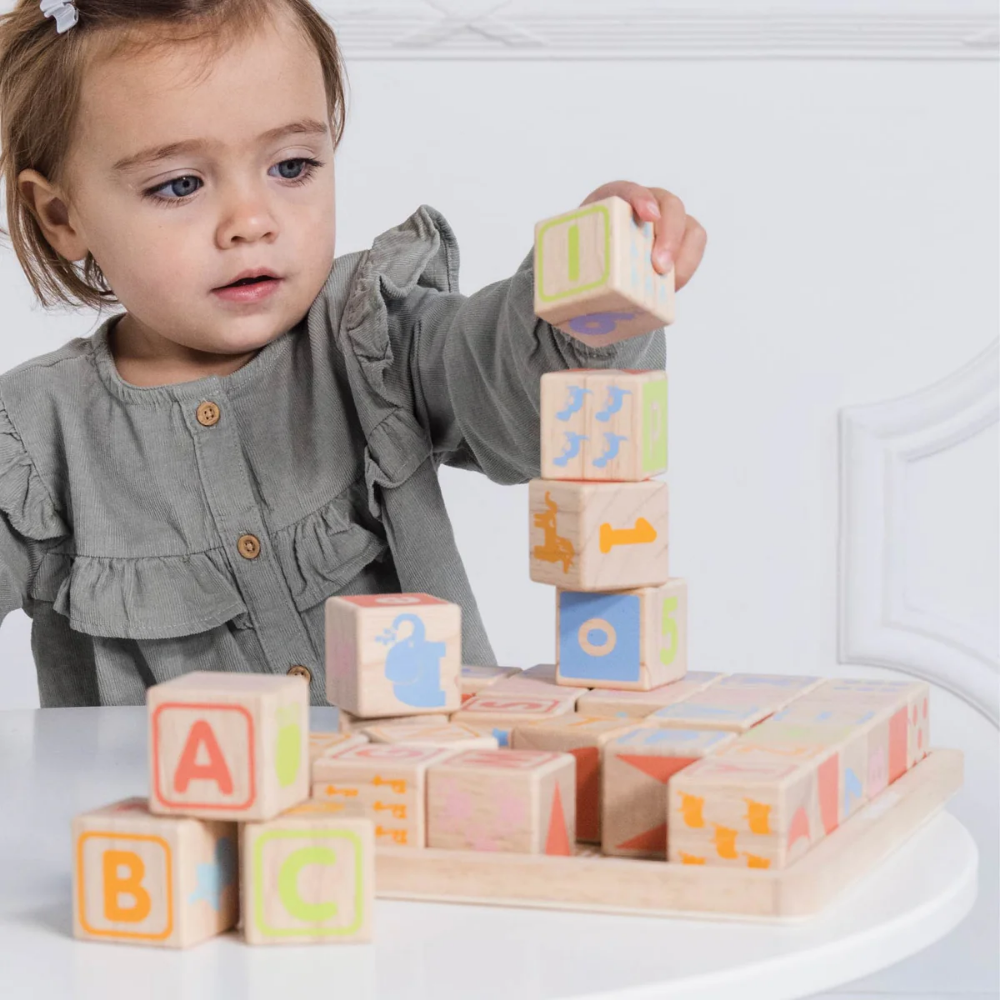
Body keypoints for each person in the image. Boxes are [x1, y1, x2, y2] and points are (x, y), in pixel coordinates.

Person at [0, 0, 707, 707]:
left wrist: (587, 290)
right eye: (179, 184)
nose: (251, 222)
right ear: (62, 216)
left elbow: (533, 401)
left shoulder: (372, 338)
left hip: (430, 776)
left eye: (292, 166)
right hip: (152, 787)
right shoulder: (31, 439)